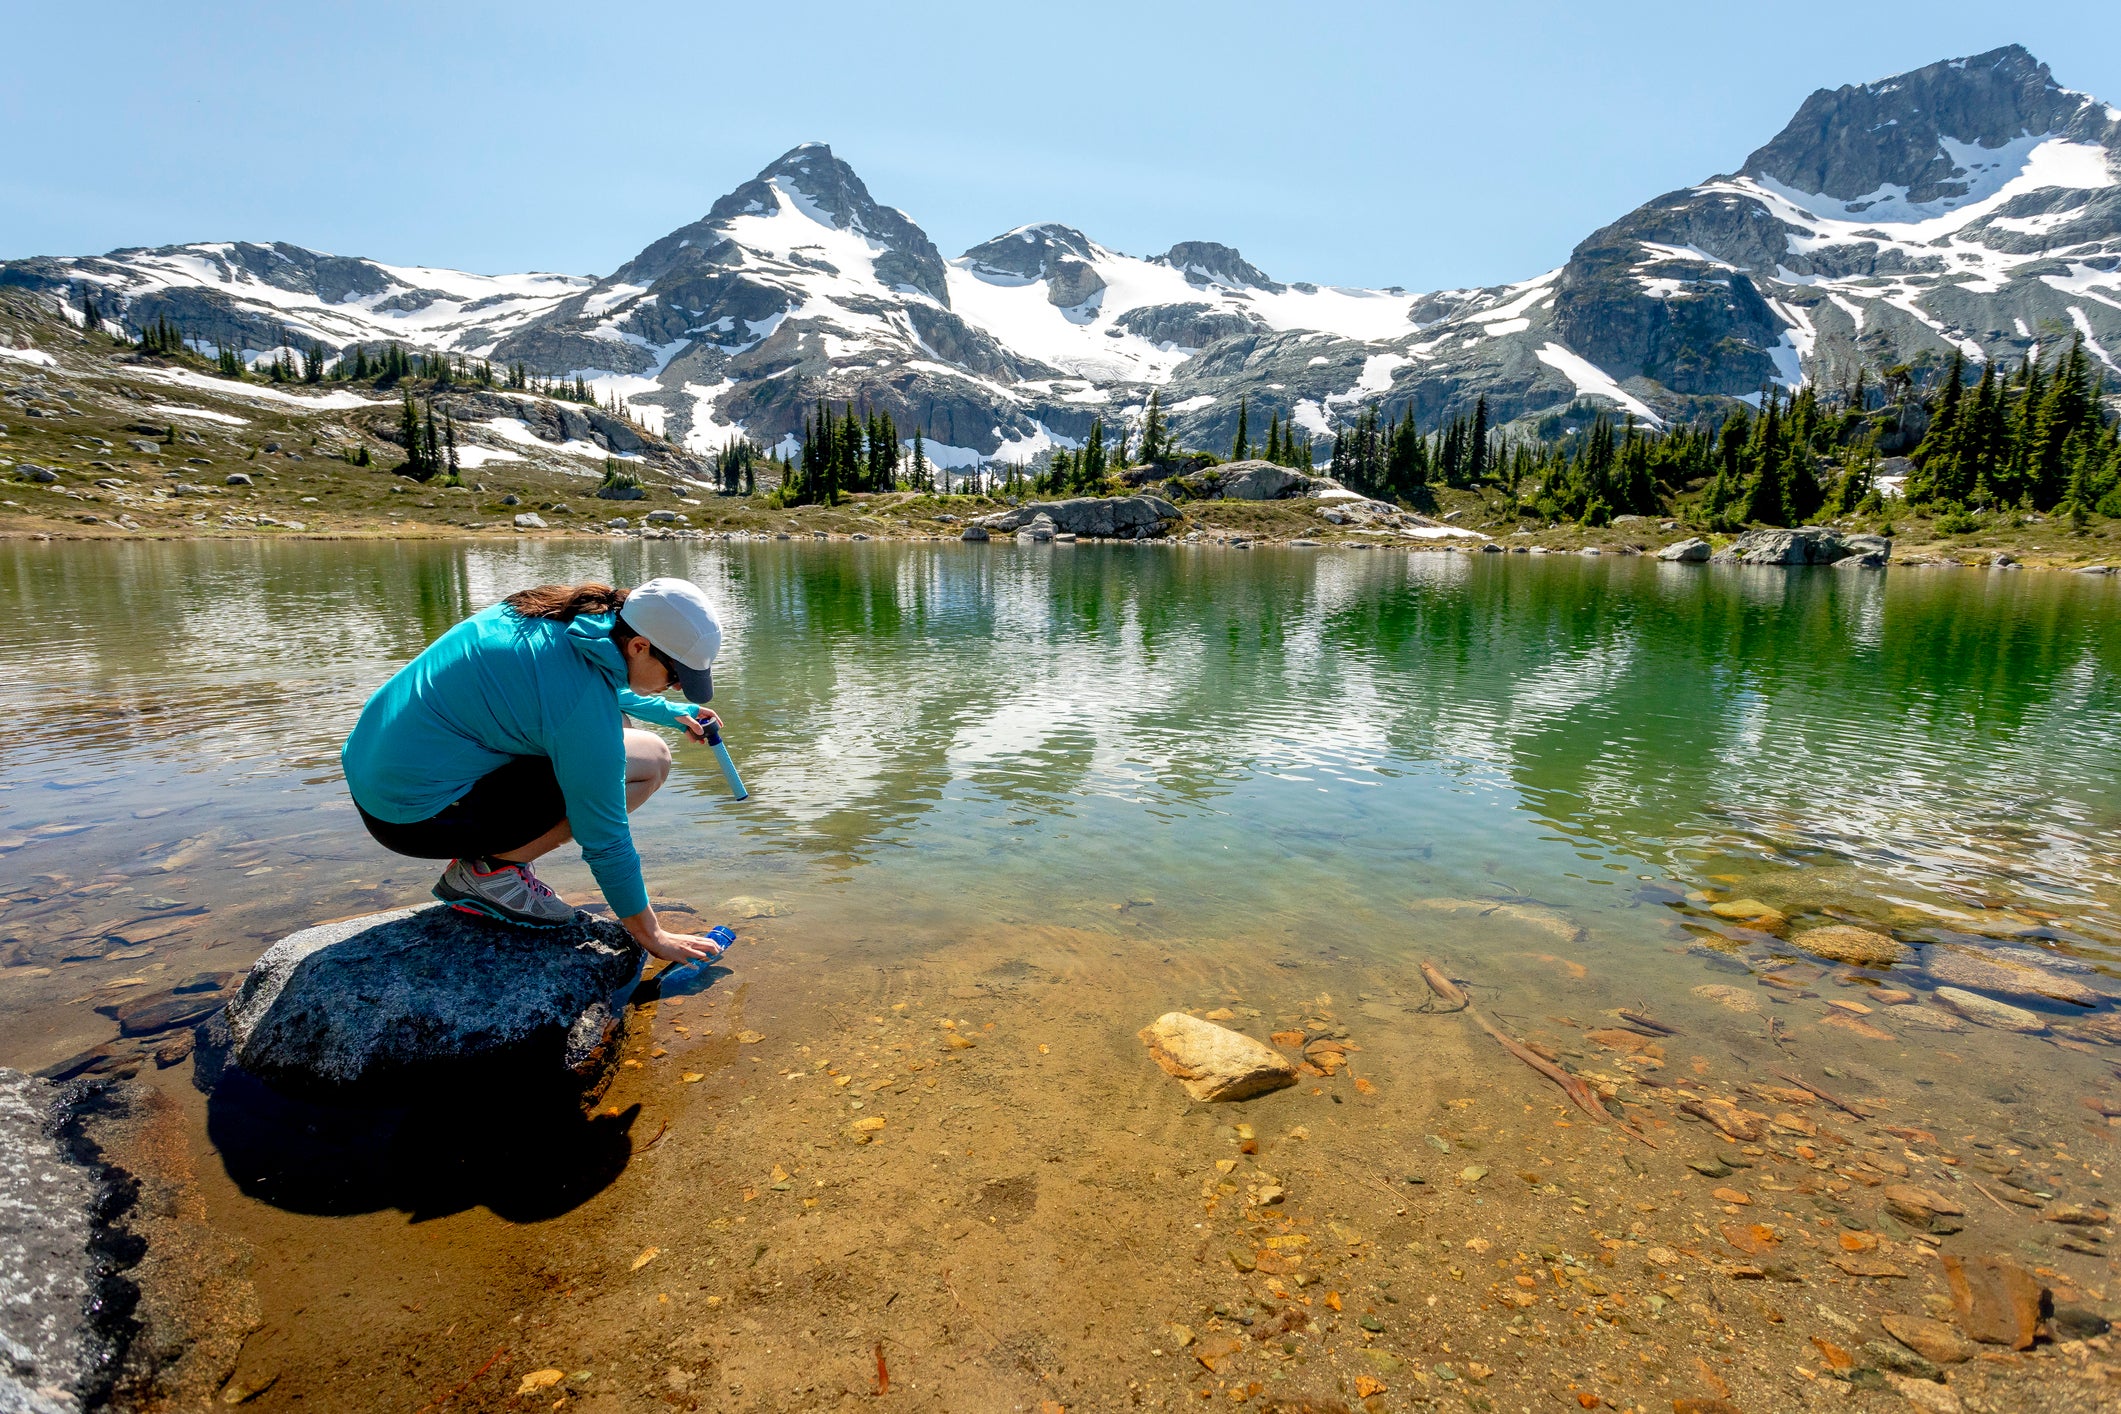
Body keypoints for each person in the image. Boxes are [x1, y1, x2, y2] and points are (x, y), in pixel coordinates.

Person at [341, 577, 728, 962]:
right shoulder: (578, 700)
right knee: (650, 763)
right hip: (412, 818)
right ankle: (491, 874)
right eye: (676, 676)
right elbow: (605, 837)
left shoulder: (557, 615)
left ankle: (491, 862)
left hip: (378, 779)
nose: (678, 687)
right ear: (640, 646)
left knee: (619, 731)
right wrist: (652, 934)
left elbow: (572, 683)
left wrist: (671, 712)